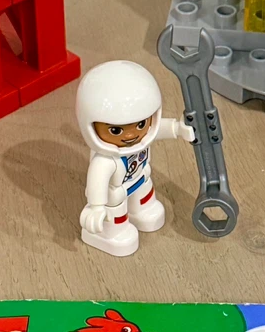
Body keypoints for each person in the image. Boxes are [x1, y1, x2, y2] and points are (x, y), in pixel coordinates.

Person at [75, 61, 195, 256]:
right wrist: (96, 207)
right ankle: (111, 233)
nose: (131, 135)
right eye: (116, 130)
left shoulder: (145, 137)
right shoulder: (105, 161)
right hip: (116, 195)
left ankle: (141, 210)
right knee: (116, 216)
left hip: (141, 180)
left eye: (140, 125)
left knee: (146, 200)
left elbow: (158, 129)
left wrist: (177, 129)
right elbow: (96, 181)